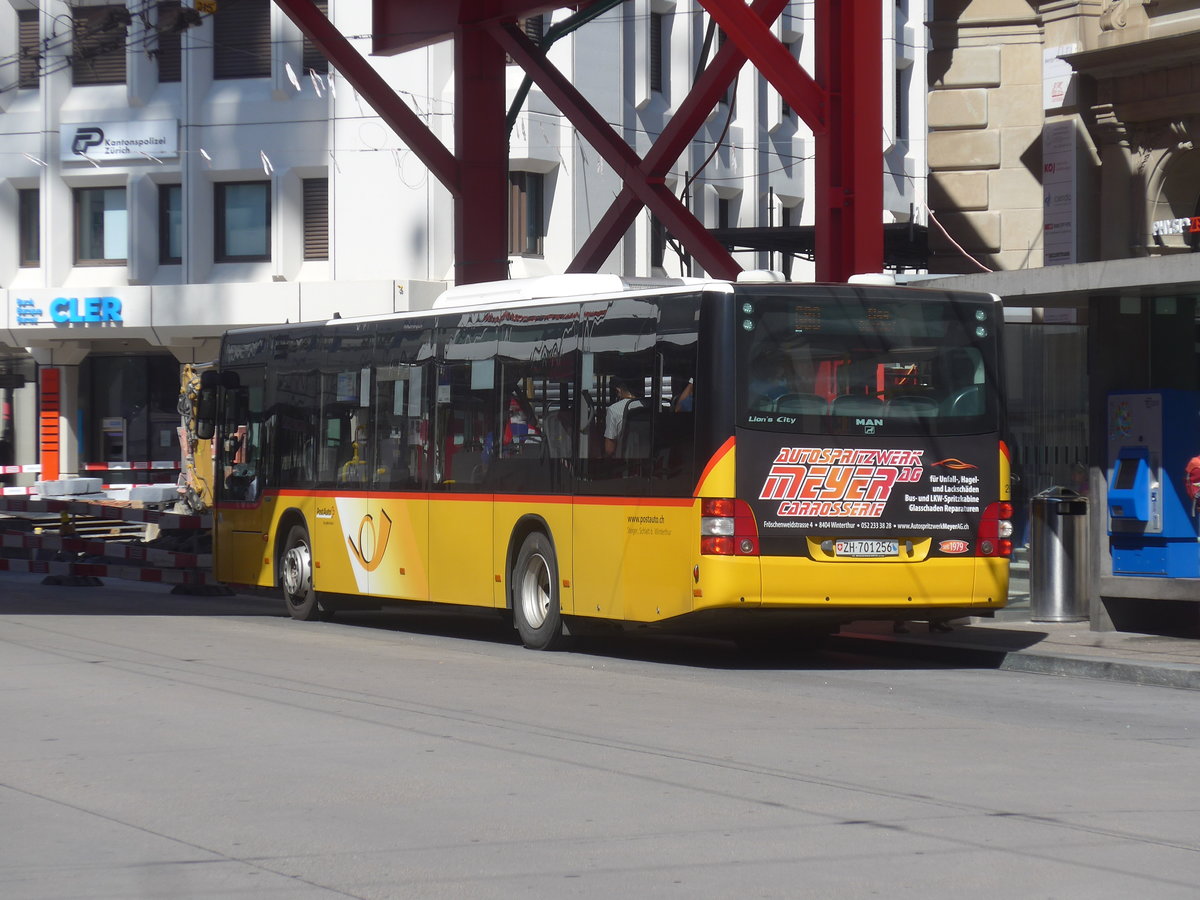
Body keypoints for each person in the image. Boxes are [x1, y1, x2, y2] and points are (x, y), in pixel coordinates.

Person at [605, 377, 643, 457]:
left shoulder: (613, 409)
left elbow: (609, 449)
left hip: (624, 462)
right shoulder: (649, 406)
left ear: (618, 390)